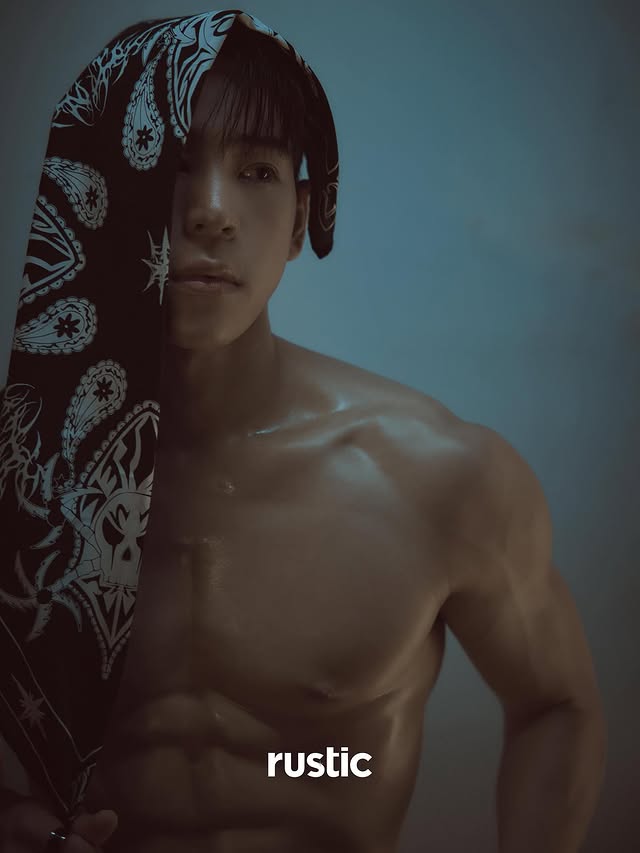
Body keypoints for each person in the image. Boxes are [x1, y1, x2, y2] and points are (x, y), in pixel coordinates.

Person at [0, 10, 606, 853]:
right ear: (93, 192)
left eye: (257, 171)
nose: (212, 212)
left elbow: (556, 706)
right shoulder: (23, 479)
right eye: (171, 161)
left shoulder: (439, 478)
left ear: (299, 219)